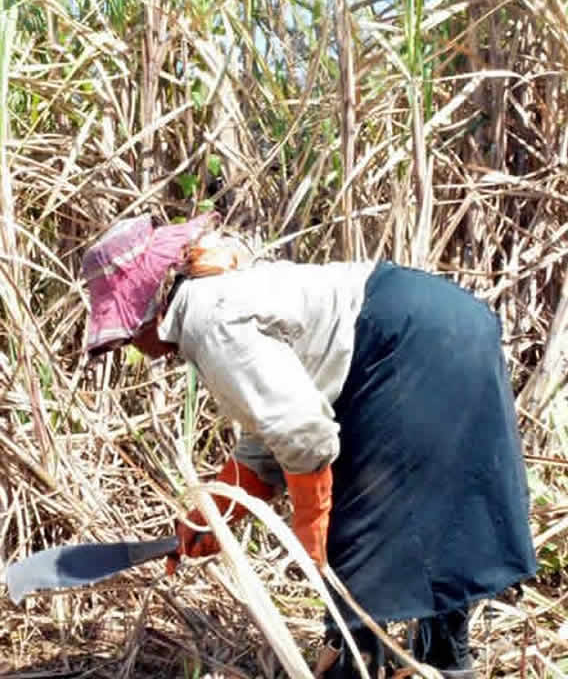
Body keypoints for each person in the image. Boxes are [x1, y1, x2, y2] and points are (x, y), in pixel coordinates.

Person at [80, 212, 537, 678]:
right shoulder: (216, 296)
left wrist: (311, 532)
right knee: (440, 511)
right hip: (447, 323)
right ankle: (442, 663)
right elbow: (273, 430)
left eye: (128, 336)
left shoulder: (205, 318)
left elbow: (302, 433)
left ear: (149, 307)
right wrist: (215, 514)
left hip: (400, 342)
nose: (135, 348)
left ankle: (362, 663)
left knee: (358, 529)